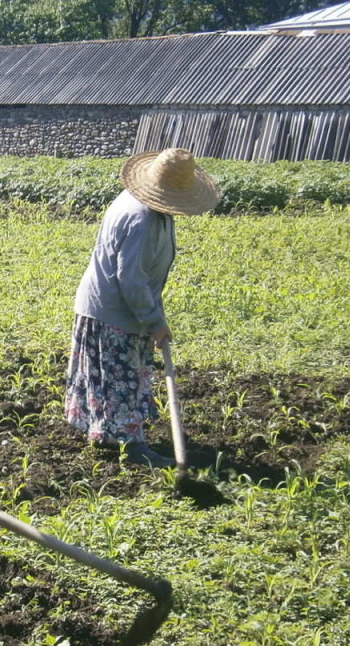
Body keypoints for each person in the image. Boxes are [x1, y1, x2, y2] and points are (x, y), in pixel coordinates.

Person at [66, 148, 220, 468]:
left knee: (116, 377)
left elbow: (148, 275)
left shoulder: (152, 210)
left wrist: (155, 318)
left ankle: (111, 434)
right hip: (112, 311)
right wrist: (153, 321)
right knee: (121, 377)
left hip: (114, 306)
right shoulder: (140, 217)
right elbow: (132, 279)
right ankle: (132, 448)